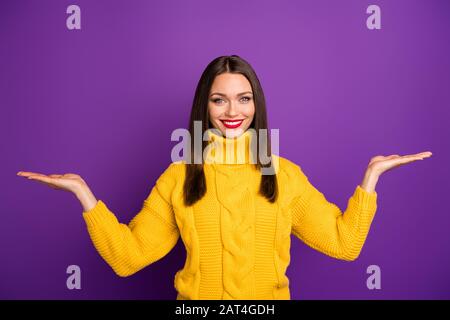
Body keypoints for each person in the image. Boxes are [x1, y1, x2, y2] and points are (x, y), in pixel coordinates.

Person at [17, 55, 432, 300]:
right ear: (205, 106)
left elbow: (345, 245)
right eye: (220, 99)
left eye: (243, 98)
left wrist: (371, 178)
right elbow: (128, 258)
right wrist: (84, 195)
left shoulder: (283, 175)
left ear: (256, 105)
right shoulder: (180, 175)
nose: (233, 111)